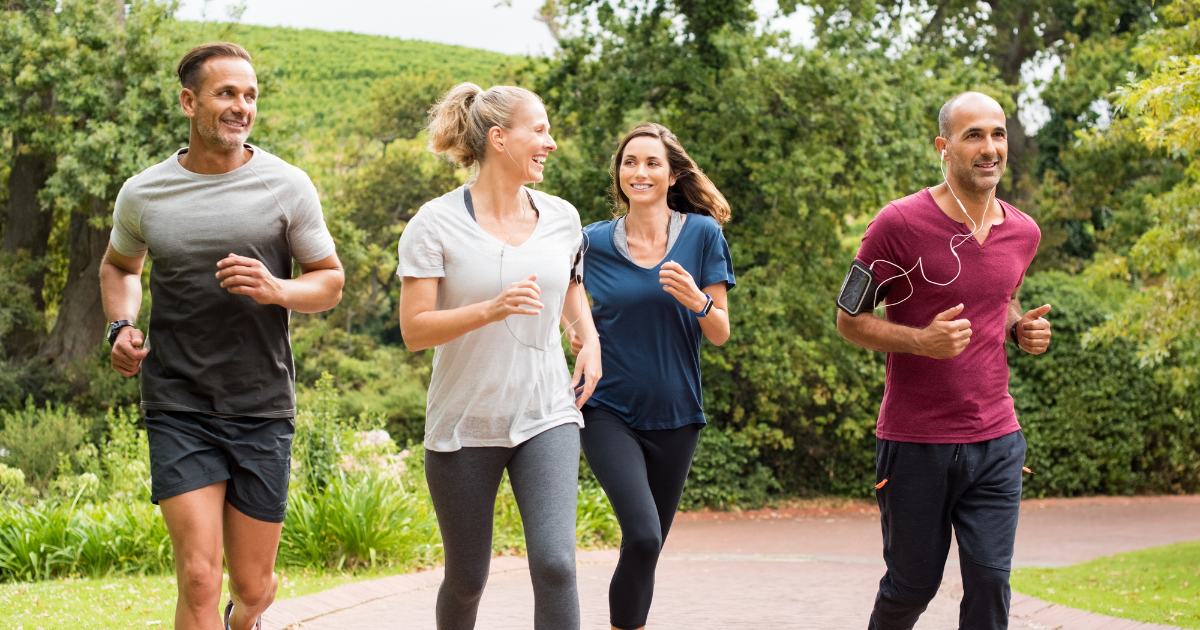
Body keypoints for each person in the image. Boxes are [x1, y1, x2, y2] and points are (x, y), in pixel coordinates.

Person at [100, 42, 343, 630]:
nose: (242, 107)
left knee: (253, 586)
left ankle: (249, 618)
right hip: (178, 400)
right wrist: (121, 324)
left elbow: (330, 282)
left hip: (261, 403)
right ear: (189, 102)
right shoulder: (144, 193)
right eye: (226, 93)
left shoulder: (287, 185)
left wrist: (277, 290)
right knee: (200, 577)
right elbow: (120, 267)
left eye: (250, 95)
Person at [836, 91, 1053, 630]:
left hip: (996, 438)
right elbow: (848, 319)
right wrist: (920, 341)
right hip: (915, 442)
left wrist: (1019, 328)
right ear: (943, 147)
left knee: (989, 582)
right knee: (912, 585)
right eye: (973, 135)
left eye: (997, 134)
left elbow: (999, 300)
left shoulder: (1023, 232)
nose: (989, 147)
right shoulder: (898, 223)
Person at [396, 82, 602, 630]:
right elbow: (415, 330)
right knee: (466, 579)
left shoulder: (561, 216)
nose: (550, 143)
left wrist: (590, 342)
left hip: (546, 414)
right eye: (539, 130)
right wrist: (491, 309)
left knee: (556, 565)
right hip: (465, 422)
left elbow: (572, 295)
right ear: (498, 138)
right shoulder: (434, 223)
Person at [568, 122, 735, 630]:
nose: (639, 172)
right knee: (641, 534)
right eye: (630, 162)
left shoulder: (703, 235)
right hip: (606, 409)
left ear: (671, 173)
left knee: (647, 546)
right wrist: (581, 333)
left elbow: (720, 332)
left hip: (677, 414)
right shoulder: (591, 241)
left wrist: (697, 300)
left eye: (651, 163)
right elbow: (566, 296)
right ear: (620, 174)